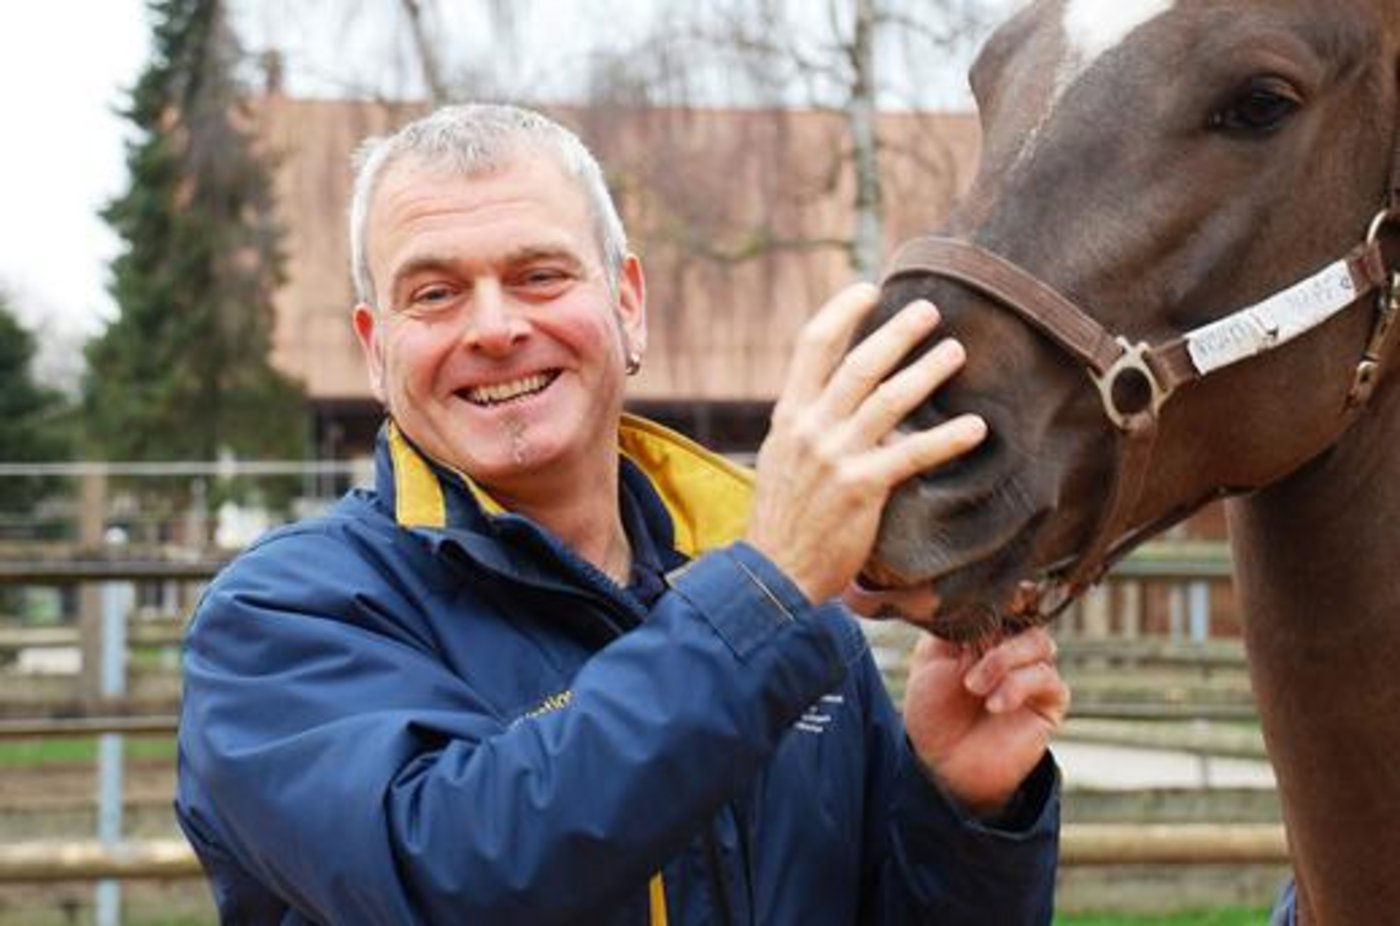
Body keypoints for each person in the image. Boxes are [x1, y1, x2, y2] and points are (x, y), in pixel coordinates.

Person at [176, 103, 1069, 925]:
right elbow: (452, 878)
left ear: (627, 306)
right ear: (377, 352)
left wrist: (963, 809)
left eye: (539, 274)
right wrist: (768, 590)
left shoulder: (798, 628)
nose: (493, 328)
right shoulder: (280, 618)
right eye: (435, 293)